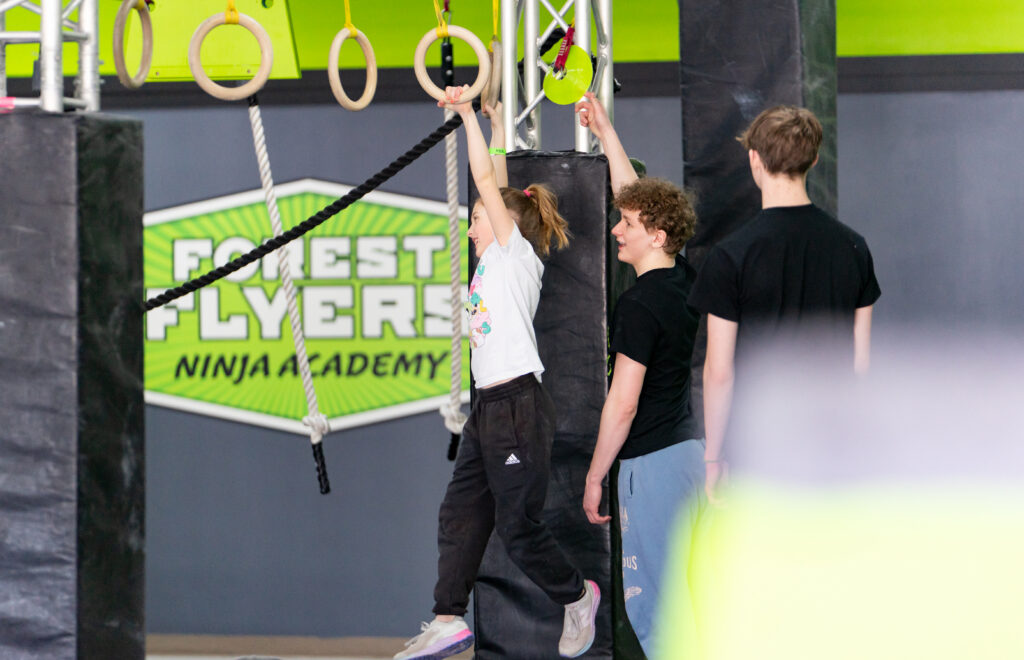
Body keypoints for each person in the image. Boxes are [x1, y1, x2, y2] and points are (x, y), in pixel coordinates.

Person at [394, 85, 599, 660]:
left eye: (478, 219)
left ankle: (578, 596)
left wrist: (463, 116)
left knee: (518, 528)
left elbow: (488, 184)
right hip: (489, 408)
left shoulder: (515, 257)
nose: (470, 227)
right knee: (459, 511)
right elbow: (500, 181)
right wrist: (497, 119)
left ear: (505, 224)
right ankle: (446, 618)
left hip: (516, 404)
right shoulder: (496, 260)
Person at [688, 105, 882, 505]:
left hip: (759, 446)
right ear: (813, 159)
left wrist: (713, 458)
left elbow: (719, 371)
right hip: (832, 445)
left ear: (753, 159)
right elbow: (860, 364)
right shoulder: (854, 248)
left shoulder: (730, 256)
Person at [575, 91, 705, 658]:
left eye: (625, 223)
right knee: (688, 602)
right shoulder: (685, 279)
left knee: (654, 612)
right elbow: (638, 197)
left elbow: (622, 403)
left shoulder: (637, 306)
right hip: (690, 459)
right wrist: (605, 132)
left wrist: (595, 474)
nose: (615, 229)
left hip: (650, 467)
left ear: (656, 235)